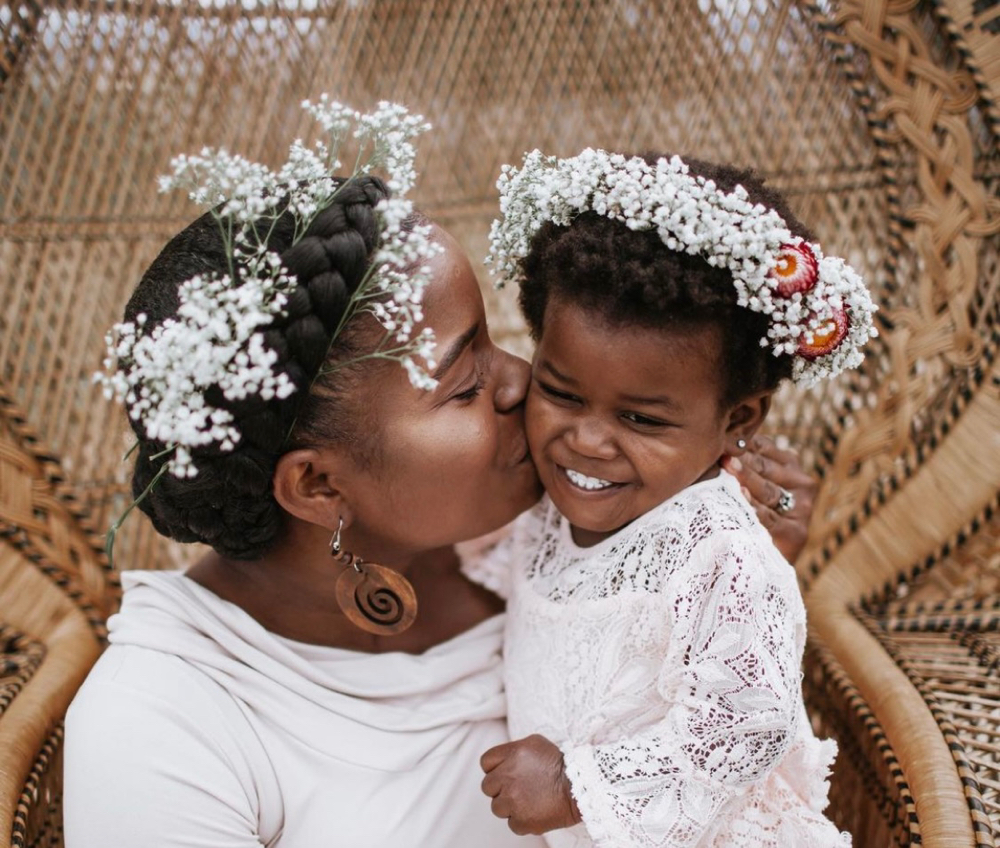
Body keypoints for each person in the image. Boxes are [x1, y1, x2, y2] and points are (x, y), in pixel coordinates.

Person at [64, 107, 821, 848]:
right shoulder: (164, 724)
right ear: (319, 488)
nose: (521, 383)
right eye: (463, 385)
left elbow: (699, 692)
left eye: (499, 340)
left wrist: (719, 567)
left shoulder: (525, 544)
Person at [468, 150, 877, 847]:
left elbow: (745, 723)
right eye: (561, 393)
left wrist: (574, 785)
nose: (587, 441)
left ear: (739, 420)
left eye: (642, 420)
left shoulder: (720, 552)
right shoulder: (547, 511)